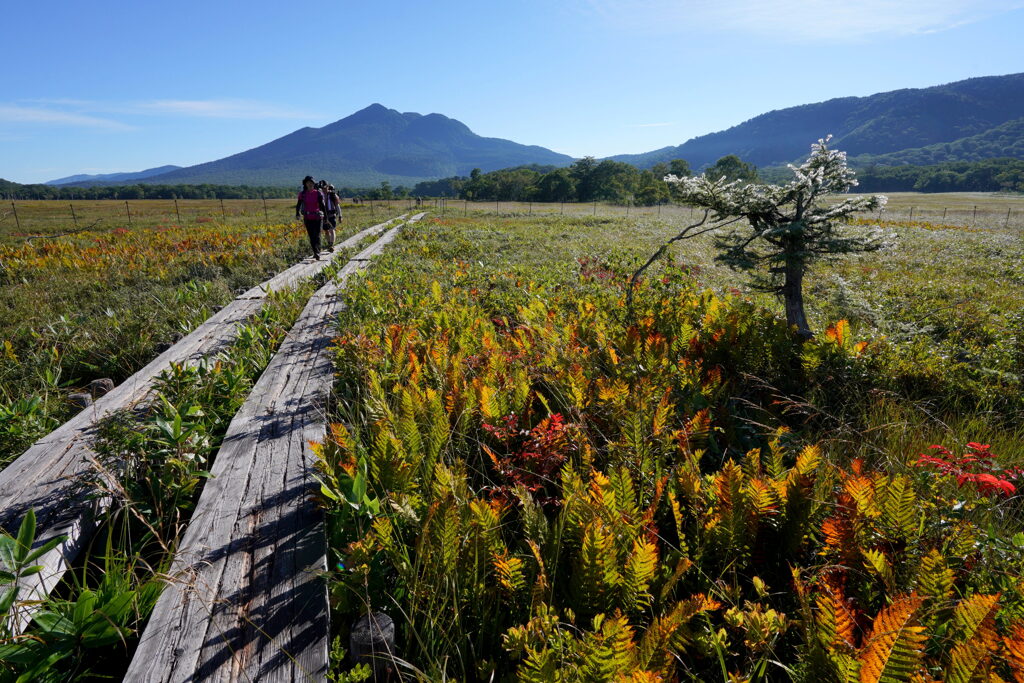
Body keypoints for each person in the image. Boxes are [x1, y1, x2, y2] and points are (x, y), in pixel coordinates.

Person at [295, 176, 327, 259]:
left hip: (318, 217)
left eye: (311, 182)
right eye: (308, 182)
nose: (310, 184)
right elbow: (298, 205)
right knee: (311, 236)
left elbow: (322, 206)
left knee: (317, 235)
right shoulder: (302, 194)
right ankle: (315, 252)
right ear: (305, 184)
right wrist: (297, 213)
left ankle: (318, 251)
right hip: (307, 217)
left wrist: (326, 217)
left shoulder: (318, 193)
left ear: (314, 184)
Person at [323, 184, 341, 248]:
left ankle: (331, 244)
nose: (324, 189)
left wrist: (340, 216)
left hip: (331, 215)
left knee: (331, 229)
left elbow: (337, 206)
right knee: (326, 231)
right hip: (324, 216)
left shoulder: (332, 195)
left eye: (325, 188)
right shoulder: (320, 195)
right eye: (323, 188)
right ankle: (329, 243)